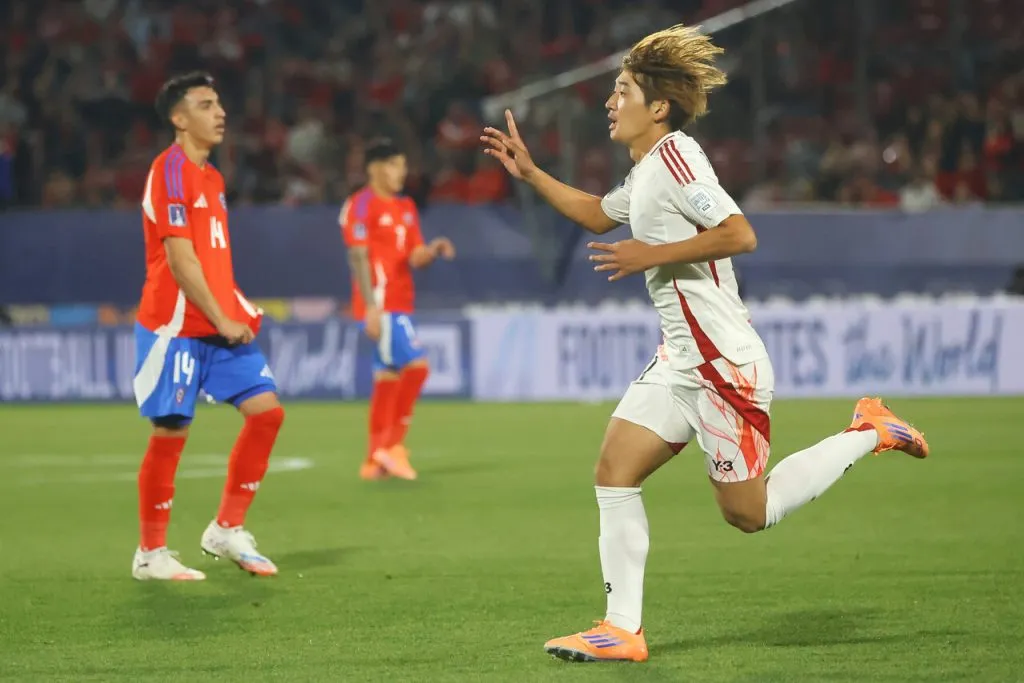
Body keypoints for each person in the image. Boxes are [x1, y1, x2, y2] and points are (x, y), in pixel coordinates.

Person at [481, 25, 929, 663]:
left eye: (622, 90)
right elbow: (597, 214)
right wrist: (531, 173)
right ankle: (622, 629)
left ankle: (869, 430)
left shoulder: (678, 159)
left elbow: (740, 233)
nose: (610, 101)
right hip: (680, 360)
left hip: (723, 365)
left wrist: (650, 254)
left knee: (749, 514)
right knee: (613, 472)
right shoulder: (646, 171)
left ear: (658, 107)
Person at [132, 72, 285, 581]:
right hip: (175, 325)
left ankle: (226, 528)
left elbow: (213, 259)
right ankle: (150, 554)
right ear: (179, 118)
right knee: (171, 430)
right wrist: (221, 317)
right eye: (205, 105)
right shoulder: (170, 171)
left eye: (219, 103)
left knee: (266, 413)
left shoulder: (212, 177)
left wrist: (232, 309)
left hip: (218, 323)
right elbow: (180, 260)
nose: (219, 113)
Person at [340, 139, 456, 481]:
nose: (402, 173)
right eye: (395, 165)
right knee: (417, 368)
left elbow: (414, 256)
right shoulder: (361, 204)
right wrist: (371, 308)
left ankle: (373, 461)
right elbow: (357, 255)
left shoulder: (406, 206)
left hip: (402, 302)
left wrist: (432, 250)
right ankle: (392, 447)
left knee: (388, 378)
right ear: (375, 168)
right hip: (383, 304)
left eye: (403, 166)